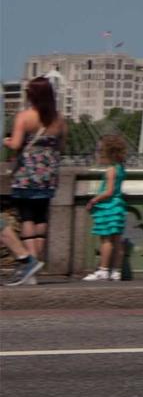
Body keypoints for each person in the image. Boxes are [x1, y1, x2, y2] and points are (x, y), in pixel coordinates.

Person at [3, 76, 67, 286]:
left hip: (27, 174)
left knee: (27, 217)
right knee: (41, 219)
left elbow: (16, 145)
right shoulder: (58, 119)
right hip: (48, 175)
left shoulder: (24, 117)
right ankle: (36, 265)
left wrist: (7, 141)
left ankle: (30, 267)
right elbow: (61, 147)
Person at [83, 134, 130, 281]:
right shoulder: (121, 168)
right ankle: (116, 271)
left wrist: (94, 200)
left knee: (106, 240)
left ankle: (103, 270)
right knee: (117, 241)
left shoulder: (110, 170)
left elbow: (108, 192)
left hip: (108, 207)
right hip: (118, 206)